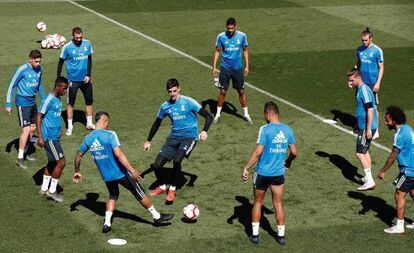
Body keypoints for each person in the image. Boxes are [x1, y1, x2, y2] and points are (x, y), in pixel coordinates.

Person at [73, 111, 174, 233]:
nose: (108, 126)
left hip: (106, 176)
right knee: (139, 192)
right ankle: (156, 217)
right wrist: (132, 170)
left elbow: (78, 156)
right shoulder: (110, 134)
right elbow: (119, 154)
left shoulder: (88, 138)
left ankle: (107, 224)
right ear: (104, 121)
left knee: (113, 194)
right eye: (107, 123)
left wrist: (77, 171)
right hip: (120, 173)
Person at [144, 78, 213, 205]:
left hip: (189, 137)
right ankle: (164, 186)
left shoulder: (188, 101)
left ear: (179, 88)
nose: (172, 94)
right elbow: (157, 123)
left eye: (174, 91)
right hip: (173, 138)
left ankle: (172, 188)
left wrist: (204, 131)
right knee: (157, 165)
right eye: (170, 91)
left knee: (177, 160)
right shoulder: (165, 106)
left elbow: (209, 116)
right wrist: (148, 140)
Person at [242, 102, 297, 245]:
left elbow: (257, 152)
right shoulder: (288, 129)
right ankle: (281, 236)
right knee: (278, 204)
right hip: (278, 174)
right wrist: (289, 161)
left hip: (262, 173)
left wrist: (246, 167)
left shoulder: (265, 129)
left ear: (268, 114)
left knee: (258, 203)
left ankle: (255, 235)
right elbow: (294, 152)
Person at [6, 49, 45, 169]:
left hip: (33, 102)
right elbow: (12, 85)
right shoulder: (22, 70)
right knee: (26, 130)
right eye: (36, 61)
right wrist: (8, 103)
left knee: (33, 128)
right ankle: (19, 158)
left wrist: (44, 99)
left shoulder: (39, 69)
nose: (38, 64)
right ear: (30, 60)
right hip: (22, 103)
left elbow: (39, 85)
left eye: (39, 61)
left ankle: (25, 152)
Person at [377, 106, 414, 233]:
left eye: (387, 120)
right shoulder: (409, 129)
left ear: (394, 120)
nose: (385, 122)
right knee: (413, 192)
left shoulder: (399, 134)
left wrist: (383, 170)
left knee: (399, 194)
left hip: (407, 171)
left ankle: (399, 226)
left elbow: (393, 156)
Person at [212, 17, 252, 124]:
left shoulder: (242, 36)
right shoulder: (221, 36)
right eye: (228, 28)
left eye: (232, 28)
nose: (230, 30)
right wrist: (214, 66)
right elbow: (217, 51)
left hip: (237, 69)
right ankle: (217, 114)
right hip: (225, 68)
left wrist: (247, 66)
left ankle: (246, 114)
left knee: (241, 91)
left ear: (235, 27)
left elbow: (245, 50)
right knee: (223, 92)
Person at [57, 26, 95, 135]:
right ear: (73, 36)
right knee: (70, 103)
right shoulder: (67, 47)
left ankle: (89, 123)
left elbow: (89, 59)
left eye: (80, 37)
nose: (79, 40)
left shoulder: (87, 43)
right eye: (77, 38)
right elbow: (60, 62)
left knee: (89, 101)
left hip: (85, 79)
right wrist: (59, 78)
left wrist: (88, 74)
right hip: (73, 80)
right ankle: (70, 126)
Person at [37, 77, 69, 203]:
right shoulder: (48, 99)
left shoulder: (58, 98)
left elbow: (53, 117)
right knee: (61, 162)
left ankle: (44, 188)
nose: (66, 91)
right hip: (49, 138)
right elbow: (39, 117)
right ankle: (52, 191)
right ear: (57, 87)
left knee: (52, 162)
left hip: (55, 135)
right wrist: (40, 137)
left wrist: (59, 130)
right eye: (64, 88)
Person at [348, 68, 378, 191]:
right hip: (364, 126)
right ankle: (368, 177)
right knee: (365, 151)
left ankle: (370, 181)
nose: (349, 83)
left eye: (351, 80)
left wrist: (368, 129)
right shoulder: (360, 89)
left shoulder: (364, 91)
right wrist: (357, 125)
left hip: (367, 127)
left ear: (359, 78)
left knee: (360, 153)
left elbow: (370, 110)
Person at [356, 27, 384, 139]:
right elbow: (358, 64)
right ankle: (360, 125)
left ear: (371, 38)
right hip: (362, 82)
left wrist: (378, 83)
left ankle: (375, 128)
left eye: (366, 40)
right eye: (363, 40)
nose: (364, 42)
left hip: (372, 82)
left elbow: (381, 68)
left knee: (373, 106)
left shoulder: (377, 51)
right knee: (362, 104)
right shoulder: (359, 49)